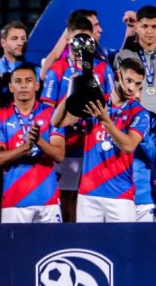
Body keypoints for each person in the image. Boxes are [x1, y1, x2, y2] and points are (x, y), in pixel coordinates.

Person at [52, 62, 149, 224]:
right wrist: (72, 90)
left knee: (122, 248)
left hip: (120, 196)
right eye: (129, 81)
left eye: (138, 83)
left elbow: (129, 145)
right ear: (118, 75)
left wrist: (105, 121)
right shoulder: (95, 102)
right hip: (88, 193)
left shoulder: (140, 112)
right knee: (87, 247)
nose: (132, 88)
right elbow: (57, 122)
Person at [42, 15, 116, 222]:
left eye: (85, 39)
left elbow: (110, 104)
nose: (81, 44)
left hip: (95, 145)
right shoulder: (56, 70)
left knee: (92, 198)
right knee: (66, 197)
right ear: (68, 39)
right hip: (66, 145)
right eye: (76, 38)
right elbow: (47, 110)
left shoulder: (103, 69)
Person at [0, 64, 66, 223]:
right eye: (18, 81)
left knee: (51, 247)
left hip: (48, 200)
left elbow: (59, 155)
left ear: (37, 85)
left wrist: (38, 141)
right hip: (14, 200)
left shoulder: (52, 115)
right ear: (10, 87)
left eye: (28, 81)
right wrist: (25, 147)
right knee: (14, 248)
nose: (23, 85)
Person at [116, 59, 156, 222]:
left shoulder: (149, 118)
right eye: (130, 83)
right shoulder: (109, 116)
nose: (135, 92)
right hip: (116, 197)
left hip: (144, 198)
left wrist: (140, 136)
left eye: (140, 88)